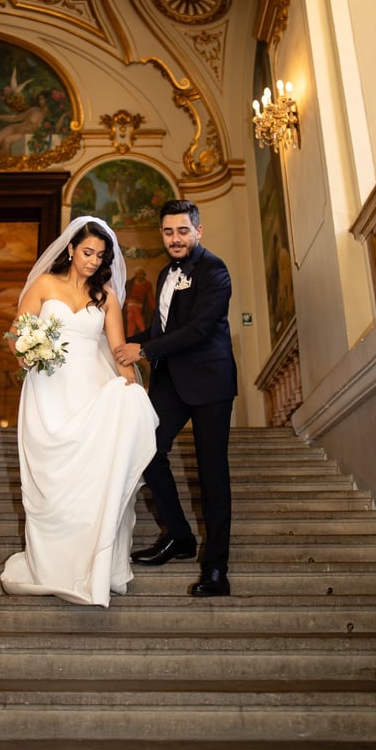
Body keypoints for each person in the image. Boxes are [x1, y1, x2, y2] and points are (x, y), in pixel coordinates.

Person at [0, 215, 158, 607]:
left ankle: (90, 566)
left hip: (91, 391)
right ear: (70, 249)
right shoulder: (44, 285)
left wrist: (133, 388)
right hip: (46, 391)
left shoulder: (107, 296)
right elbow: (16, 333)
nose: (93, 261)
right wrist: (24, 354)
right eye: (87, 252)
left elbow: (118, 351)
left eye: (100, 256)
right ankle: (51, 565)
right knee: (51, 484)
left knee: (88, 481)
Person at [115, 199, 237, 597]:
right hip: (170, 382)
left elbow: (199, 330)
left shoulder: (215, 270)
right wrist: (117, 344)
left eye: (183, 230)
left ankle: (216, 569)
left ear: (198, 231)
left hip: (210, 382)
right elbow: (162, 330)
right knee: (147, 451)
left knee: (212, 474)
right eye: (168, 232)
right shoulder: (166, 272)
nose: (175, 238)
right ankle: (180, 536)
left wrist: (144, 351)